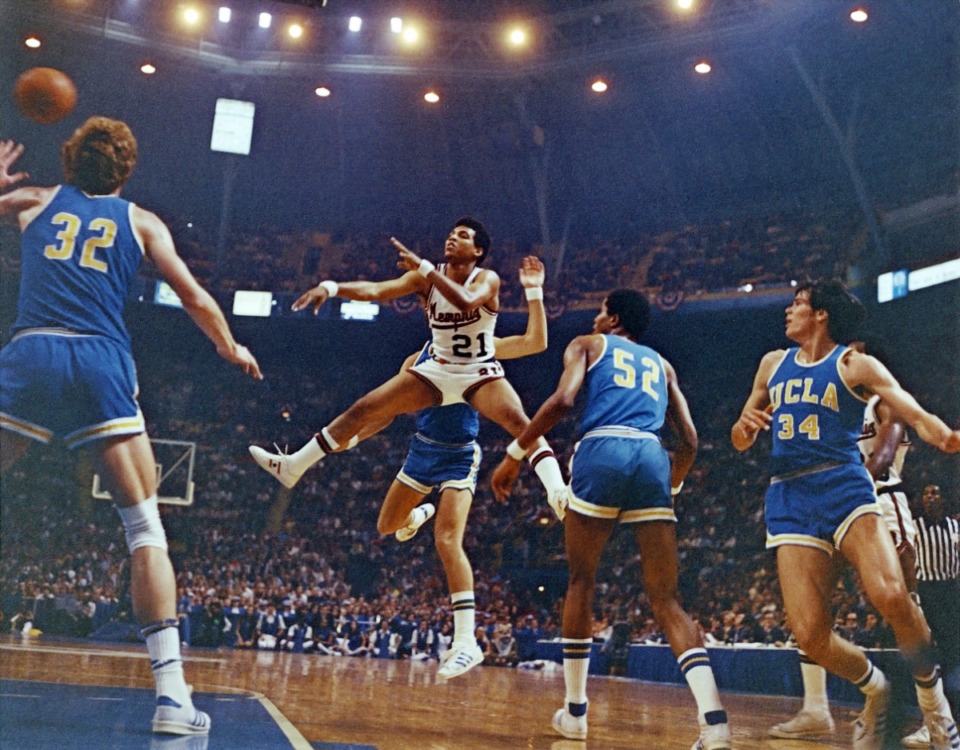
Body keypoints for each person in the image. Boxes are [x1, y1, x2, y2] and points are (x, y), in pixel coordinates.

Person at [0, 125, 262, 737]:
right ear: (127, 170)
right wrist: (228, 344)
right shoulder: (142, 222)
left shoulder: (33, 201)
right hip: (99, 363)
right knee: (144, 529)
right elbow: (193, 295)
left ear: (69, 161)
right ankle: (172, 698)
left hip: (32, 353)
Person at [491, 288, 733, 749]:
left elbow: (563, 402)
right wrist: (671, 487)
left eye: (602, 310)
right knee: (667, 599)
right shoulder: (662, 365)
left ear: (614, 318)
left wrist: (515, 452)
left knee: (582, 581)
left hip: (603, 446)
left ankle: (577, 713)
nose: (596, 316)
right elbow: (691, 441)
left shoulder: (587, 344)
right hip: (652, 455)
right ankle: (715, 723)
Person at [731, 278, 959, 750]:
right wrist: (743, 428)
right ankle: (876, 687)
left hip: (844, 486)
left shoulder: (853, 363)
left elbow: (911, 411)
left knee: (893, 595)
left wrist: (944, 436)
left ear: (821, 315)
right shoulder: (771, 364)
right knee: (810, 635)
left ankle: (937, 710)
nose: (789, 310)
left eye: (798, 304)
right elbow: (739, 435)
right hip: (789, 497)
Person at [249, 217, 567, 516]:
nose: (453, 238)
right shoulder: (424, 278)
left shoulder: (486, 278)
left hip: (478, 371)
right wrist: (332, 287)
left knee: (521, 423)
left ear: (478, 251)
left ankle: (558, 494)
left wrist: (428, 270)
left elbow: (467, 302)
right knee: (363, 408)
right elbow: (376, 290)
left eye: (463, 236)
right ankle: (293, 466)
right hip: (437, 369)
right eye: (451, 234)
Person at [373, 256, 554, 679]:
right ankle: (418, 512)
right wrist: (354, 436)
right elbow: (385, 412)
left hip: (459, 453)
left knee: (448, 540)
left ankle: (466, 641)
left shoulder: (482, 345)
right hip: (422, 450)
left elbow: (534, 341)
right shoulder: (413, 361)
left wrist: (534, 293)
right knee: (386, 526)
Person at [770, 337, 919, 740]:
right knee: (813, 611)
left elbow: (883, 458)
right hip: (831, 499)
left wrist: (841, 486)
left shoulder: (882, 402)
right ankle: (816, 707)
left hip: (875, 501)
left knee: (903, 604)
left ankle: (932, 712)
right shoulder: (829, 403)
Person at [902, 484, 960, 748]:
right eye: (925, 493)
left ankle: (948, 724)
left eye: (935, 493)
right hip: (926, 595)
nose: (929, 497)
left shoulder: (955, 527)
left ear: (943, 499)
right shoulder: (913, 528)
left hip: (951, 594)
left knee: (951, 661)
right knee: (927, 661)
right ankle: (930, 724)